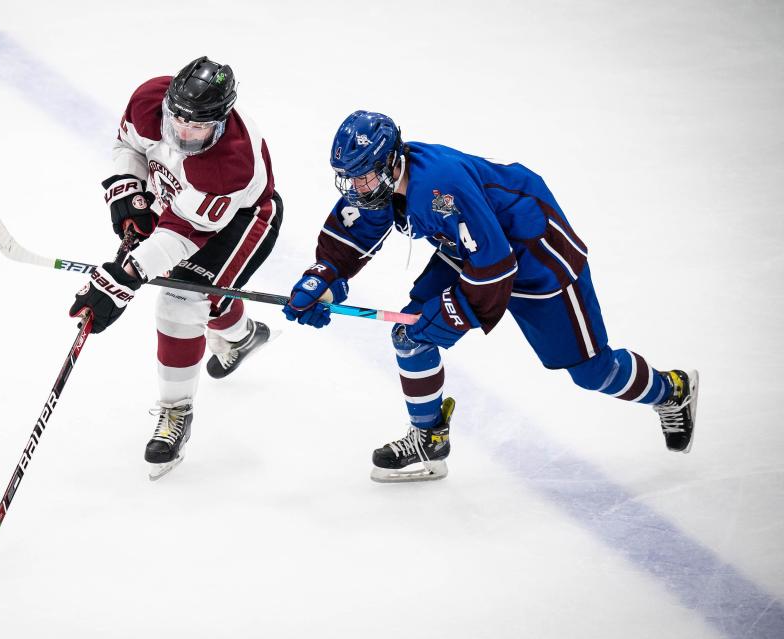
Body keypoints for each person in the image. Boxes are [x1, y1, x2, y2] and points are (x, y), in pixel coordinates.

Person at [282, 110, 699, 483]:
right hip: (476, 251)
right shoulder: (385, 181)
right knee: (412, 336)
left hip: (537, 256)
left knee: (591, 370)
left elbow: (497, 266)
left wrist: (455, 312)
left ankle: (672, 390)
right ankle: (429, 438)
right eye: (349, 176)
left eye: (363, 176)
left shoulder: (439, 187)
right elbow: (354, 230)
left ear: (390, 161)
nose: (355, 187)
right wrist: (325, 275)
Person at [69, 57, 282, 480]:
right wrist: (129, 193)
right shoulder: (150, 98)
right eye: (177, 119)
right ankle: (241, 337)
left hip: (241, 220)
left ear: (219, 122)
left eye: (197, 127)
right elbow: (129, 147)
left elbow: (181, 235)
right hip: (181, 201)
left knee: (182, 299)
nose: (183, 132)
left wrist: (124, 278)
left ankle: (175, 411)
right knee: (211, 303)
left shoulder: (230, 163)